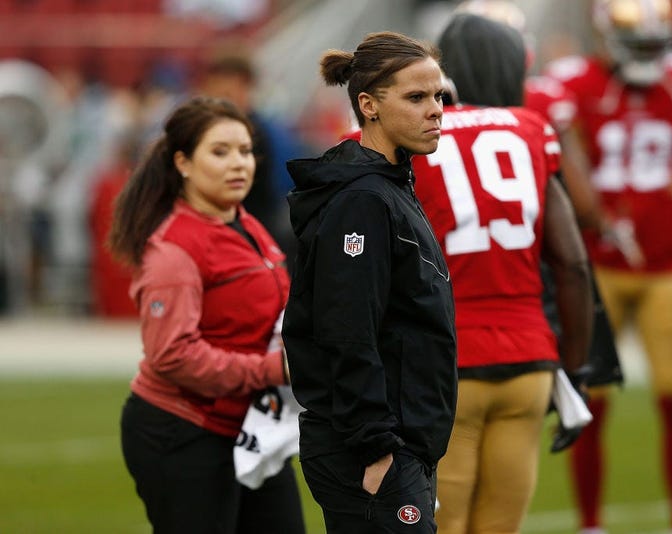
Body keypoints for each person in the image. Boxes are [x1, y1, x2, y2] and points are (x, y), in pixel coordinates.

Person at [408, 13, 594, 534]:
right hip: (528, 362)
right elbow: (574, 263)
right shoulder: (531, 128)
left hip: (447, 362)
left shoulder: (412, 137)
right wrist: (575, 370)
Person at [543, 0, 672, 532]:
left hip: (666, 263)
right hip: (599, 265)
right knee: (589, 404)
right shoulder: (574, 84)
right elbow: (559, 162)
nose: (646, 56)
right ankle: (591, 523)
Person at [281, 31, 457, 534]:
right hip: (372, 449)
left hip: (402, 446)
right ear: (368, 105)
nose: (436, 110)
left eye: (439, 96)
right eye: (416, 97)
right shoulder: (362, 200)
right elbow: (347, 328)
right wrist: (376, 446)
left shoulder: (391, 186)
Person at [108, 96, 305, 534]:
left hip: (251, 427)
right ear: (183, 162)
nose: (239, 164)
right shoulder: (174, 249)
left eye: (245, 151)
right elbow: (173, 355)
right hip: (183, 432)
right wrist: (275, 368)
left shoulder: (246, 223)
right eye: (220, 152)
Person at [199, 49, 306, 268]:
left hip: (254, 240)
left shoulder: (258, 133)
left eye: (228, 92)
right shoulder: (205, 131)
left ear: (246, 88)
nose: (221, 100)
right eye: (216, 92)